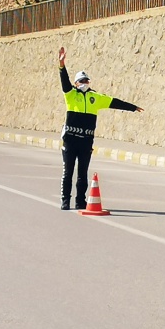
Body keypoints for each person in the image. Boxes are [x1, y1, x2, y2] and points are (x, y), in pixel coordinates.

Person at [58, 46, 142, 209]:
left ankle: (80, 201)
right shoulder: (70, 95)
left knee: (82, 173)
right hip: (70, 141)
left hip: (86, 142)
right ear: (76, 83)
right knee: (68, 172)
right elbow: (64, 81)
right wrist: (62, 64)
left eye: (86, 81)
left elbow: (114, 102)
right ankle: (65, 200)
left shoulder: (95, 97)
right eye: (81, 81)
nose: (84, 83)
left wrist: (133, 107)